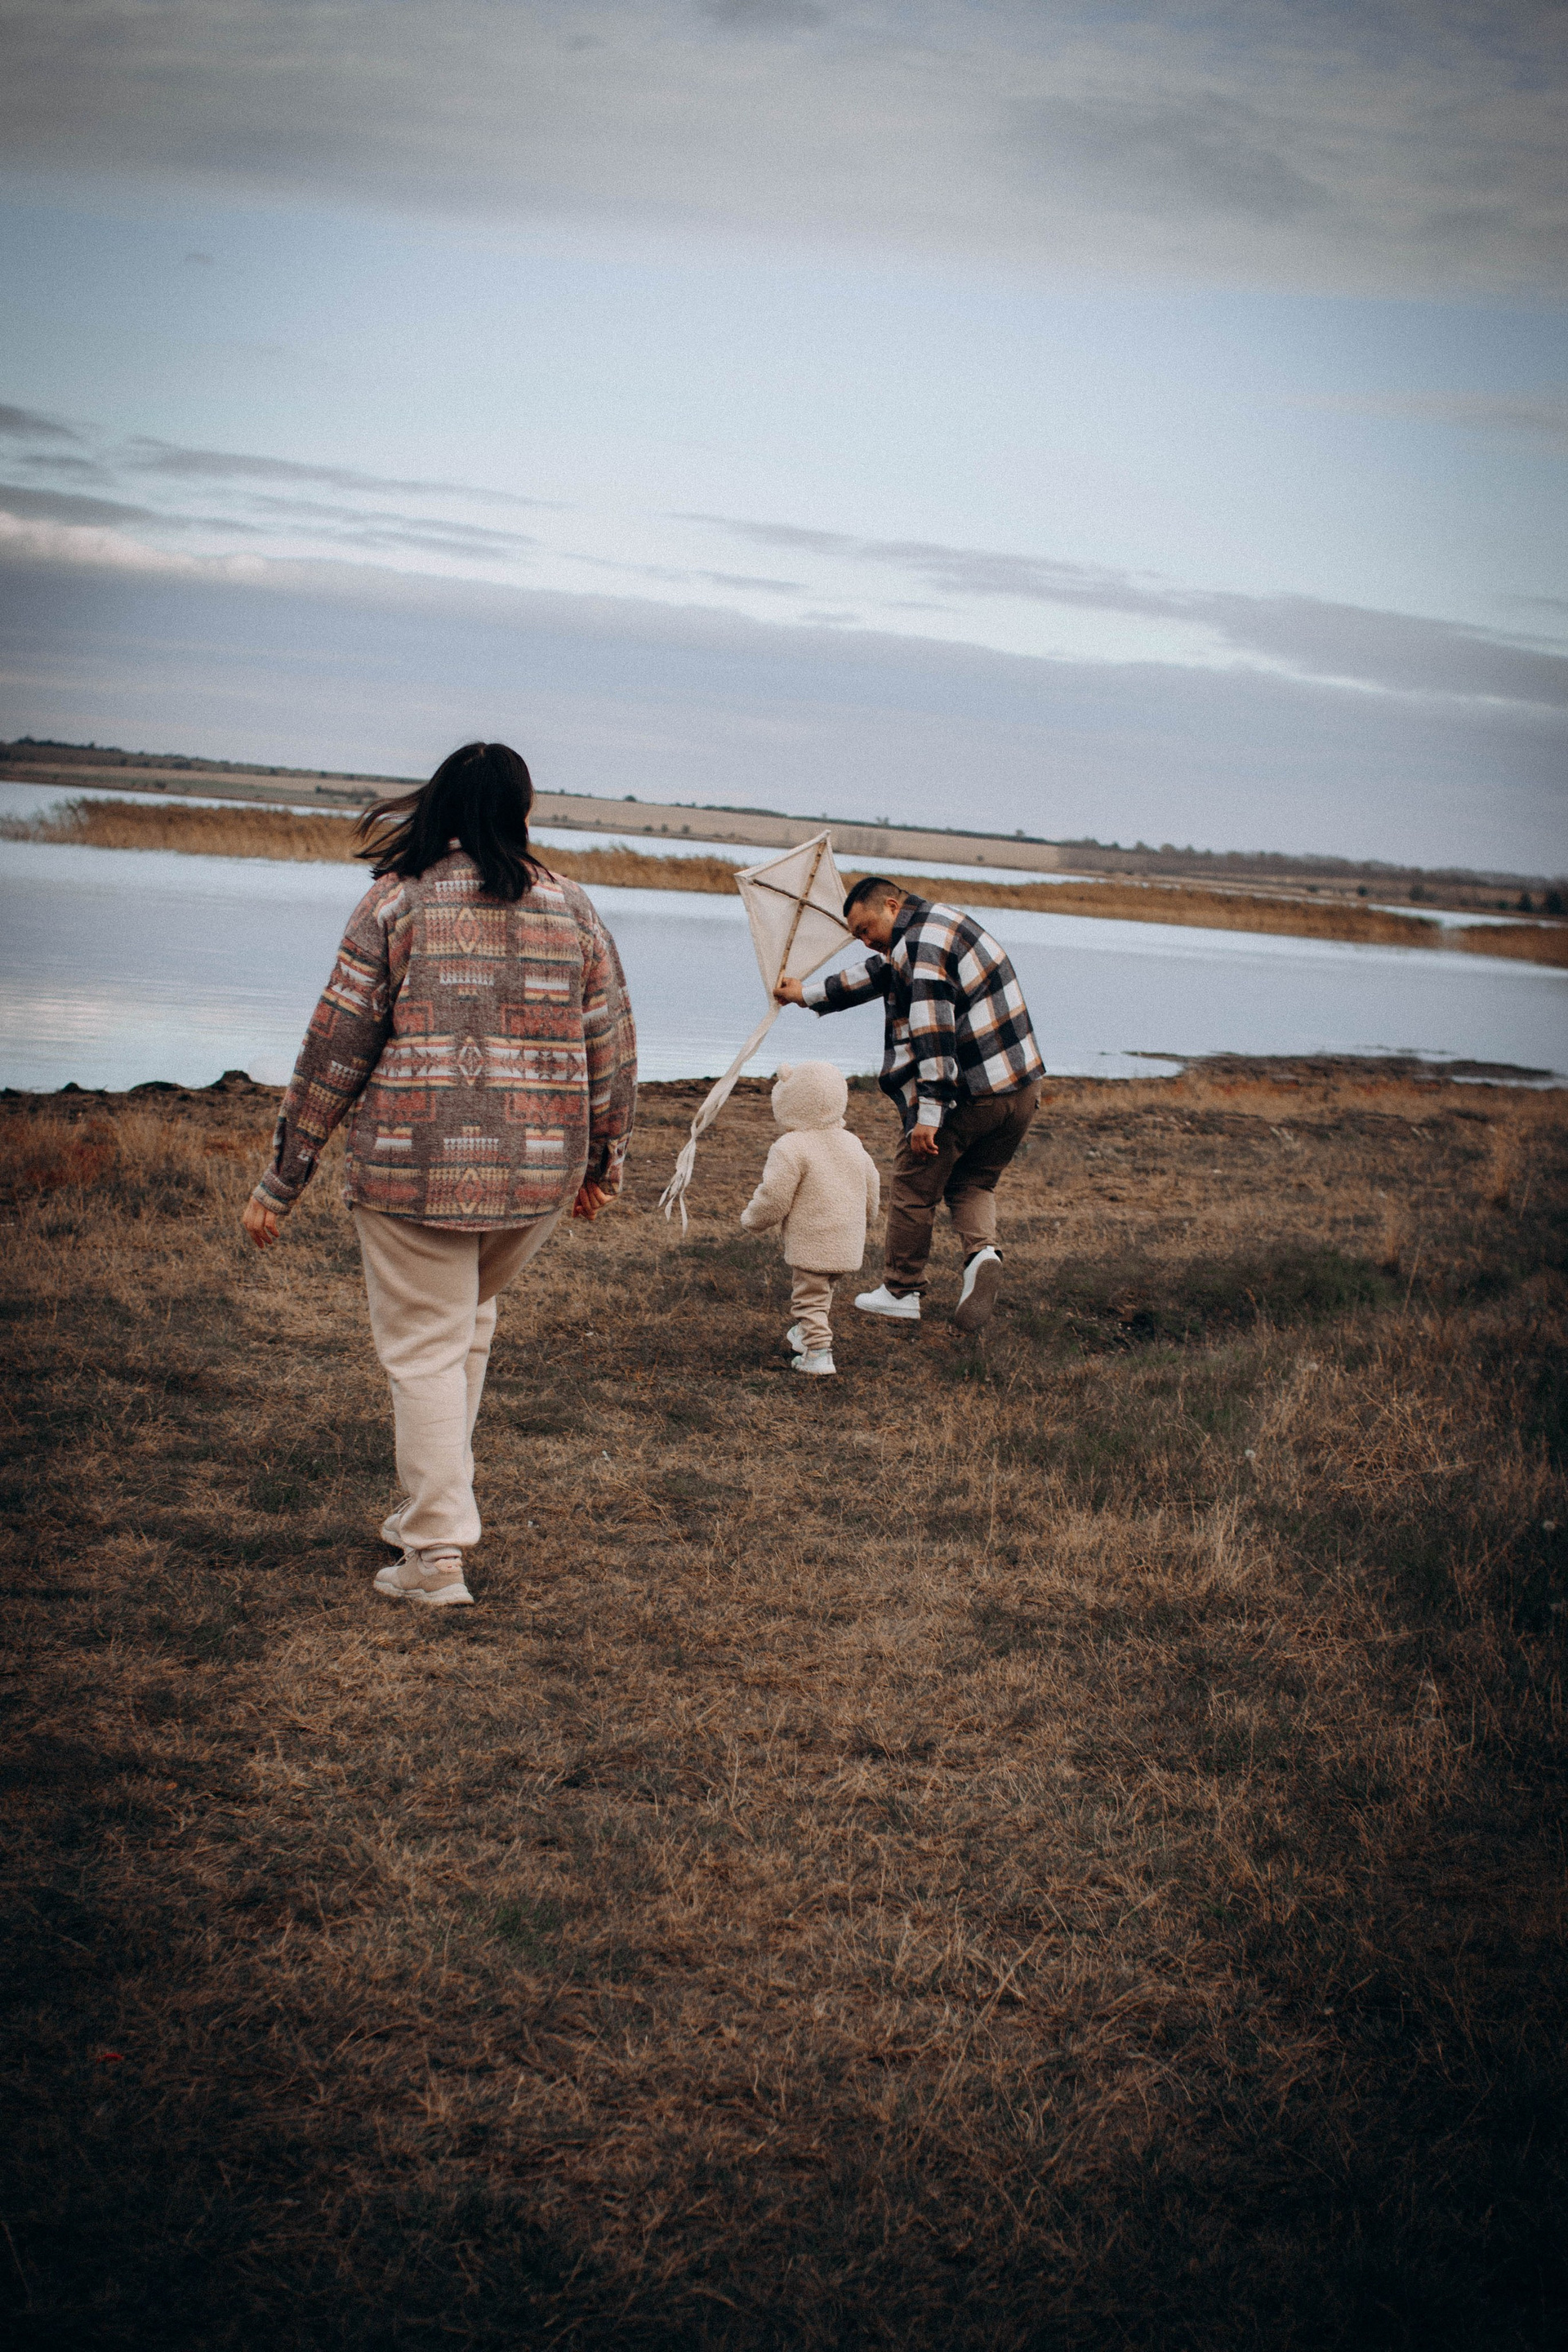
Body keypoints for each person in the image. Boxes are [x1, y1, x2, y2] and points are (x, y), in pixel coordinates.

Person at [242, 741, 637, 1607]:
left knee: (427, 1347)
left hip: (410, 1166)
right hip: (534, 1174)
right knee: (464, 1330)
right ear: (521, 811)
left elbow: (337, 1043)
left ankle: (434, 1556)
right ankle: (430, 1511)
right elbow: (609, 1039)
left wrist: (284, 1177)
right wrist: (603, 1158)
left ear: (439, 803)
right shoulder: (572, 907)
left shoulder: (397, 901)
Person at [774, 876, 1041, 1332]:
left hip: (969, 1094)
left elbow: (933, 1036)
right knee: (974, 1181)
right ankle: (983, 1255)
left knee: (914, 1189)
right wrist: (807, 994)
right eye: (856, 934)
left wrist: (928, 1117)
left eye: (865, 929)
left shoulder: (919, 949)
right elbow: (879, 973)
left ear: (891, 906)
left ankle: (901, 1291)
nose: (864, 940)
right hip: (1021, 1091)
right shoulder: (936, 925)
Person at [739, 1061, 881, 1377]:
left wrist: (753, 1219)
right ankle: (805, 1334)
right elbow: (872, 1186)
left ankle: (818, 1352)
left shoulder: (791, 1146)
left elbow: (774, 1196)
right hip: (847, 1240)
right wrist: (866, 1220)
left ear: (788, 1100)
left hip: (814, 1239)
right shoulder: (852, 1142)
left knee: (809, 1299)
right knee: (822, 1292)